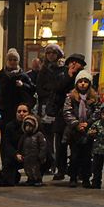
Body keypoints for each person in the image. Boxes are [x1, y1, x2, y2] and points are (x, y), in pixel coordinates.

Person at [62, 69, 99, 188]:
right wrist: (77, 124)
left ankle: (86, 178)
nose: (83, 84)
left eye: (85, 81)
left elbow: (97, 113)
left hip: (88, 131)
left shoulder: (94, 97)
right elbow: (67, 112)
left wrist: (88, 123)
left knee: (87, 156)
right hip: (74, 131)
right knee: (74, 156)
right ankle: (73, 177)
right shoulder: (70, 97)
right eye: (80, 81)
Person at [34, 44, 66, 173]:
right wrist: (49, 95)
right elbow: (39, 88)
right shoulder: (44, 70)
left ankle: (60, 166)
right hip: (46, 106)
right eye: (48, 53)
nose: (51, 55)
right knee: (47, 137)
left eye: (53, 53)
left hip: (59, 106)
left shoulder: (62, 69)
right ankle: (49, 163)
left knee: (59, 138)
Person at [0, 49, 36, 139]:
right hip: (4, 111)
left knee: (19, 136)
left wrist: (23, 85)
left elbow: (32, 89)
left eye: (15, 60)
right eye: (10, 59)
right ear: (6, 61)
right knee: (5, 136)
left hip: (20, 111)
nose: (12, 62)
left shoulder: (23, 76)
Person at [17, 114, 48, 186]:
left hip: (35, 157)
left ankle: (38, 180)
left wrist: (41, 155)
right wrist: (19, 153)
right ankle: (30, 179)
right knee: (27, 169)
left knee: (36, 169)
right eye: (26, 125)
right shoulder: (24, 136)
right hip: (26, 157)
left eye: (30, 125)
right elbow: (20, 145)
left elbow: (43, 146)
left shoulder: (39, 135)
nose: (28, 127)